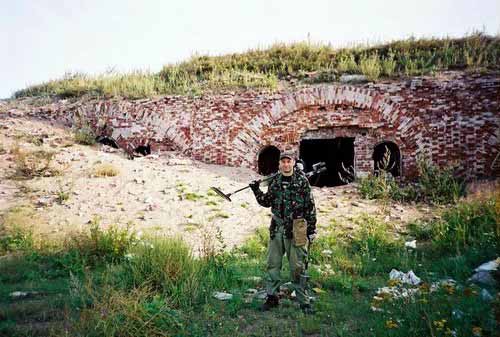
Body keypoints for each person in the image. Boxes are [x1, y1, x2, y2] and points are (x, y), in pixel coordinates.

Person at [249, 150, 317, 314]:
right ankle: (272, 297)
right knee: (273, 264)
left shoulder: (302, 181)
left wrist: (311, 230)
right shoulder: (275, 181)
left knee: (298, 267)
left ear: (293, 163)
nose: (286, 164)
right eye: (283, 162)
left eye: (289, 161)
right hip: (277, 228)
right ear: (279, 164)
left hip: (297, 229)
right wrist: (256, 190)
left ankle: (304, 302)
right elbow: (267, 202)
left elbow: (310, 207)